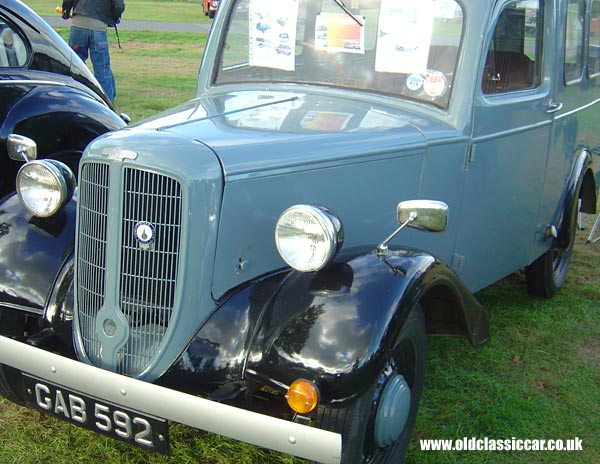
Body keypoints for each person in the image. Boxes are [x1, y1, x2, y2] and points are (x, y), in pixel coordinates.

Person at [61, 0, 125, 102]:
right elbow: (118, 5)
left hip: (78, 24)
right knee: (102, 67)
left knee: (76, 64)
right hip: (98, 27)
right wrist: (116, 16)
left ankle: (76, 97)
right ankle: (107, 101)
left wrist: (66, 10)